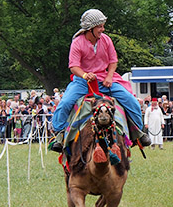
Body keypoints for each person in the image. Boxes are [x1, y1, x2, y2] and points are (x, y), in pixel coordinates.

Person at [50, 9, 151, 152]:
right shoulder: (77, 43)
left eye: (103, 26)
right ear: (90, 28)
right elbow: (73, 66)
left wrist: (109, 76)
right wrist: (85, 75)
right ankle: (59, 135)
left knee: (131, 101)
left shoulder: (106, 39)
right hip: (82, 82)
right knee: (65, 103)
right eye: (100, 26)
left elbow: (113, 61)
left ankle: (138, 134)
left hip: (105, 80)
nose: (102, 29)